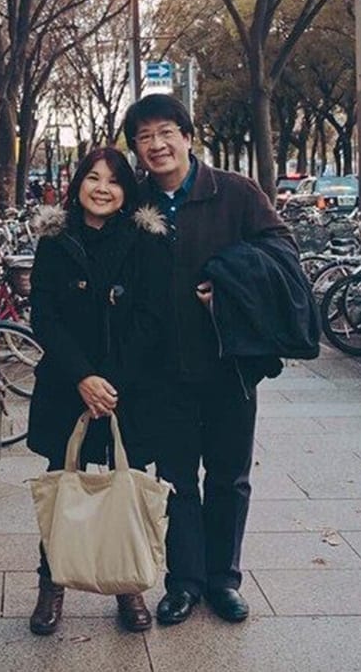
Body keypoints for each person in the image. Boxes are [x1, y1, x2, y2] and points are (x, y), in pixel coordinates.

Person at [124, 93, 294, 627]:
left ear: (188, 137)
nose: (157, 144)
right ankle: (184, 583)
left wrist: (228, 283)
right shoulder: (134, 203)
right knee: (175, 479)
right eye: (144, 136)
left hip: (229, 366)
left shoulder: (236, 194)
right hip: (162, 372)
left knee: (229, 477)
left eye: (165, 131)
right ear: (135, 147)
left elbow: (282, 255)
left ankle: (224, 580)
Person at [26, 146, 170, 637]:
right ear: (77, 184)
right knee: (62, 480)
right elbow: (44, 316)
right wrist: (83, 377)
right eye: (92, 178)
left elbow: (153, 318)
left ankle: (128, 584)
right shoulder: (55, 238)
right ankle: (52, 584)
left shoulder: (145, 240)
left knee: (126, 480)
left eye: (113, 180)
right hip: (69, 384)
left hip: (129, 387)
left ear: (127, 190)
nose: (102, 188)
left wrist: (112, 382)